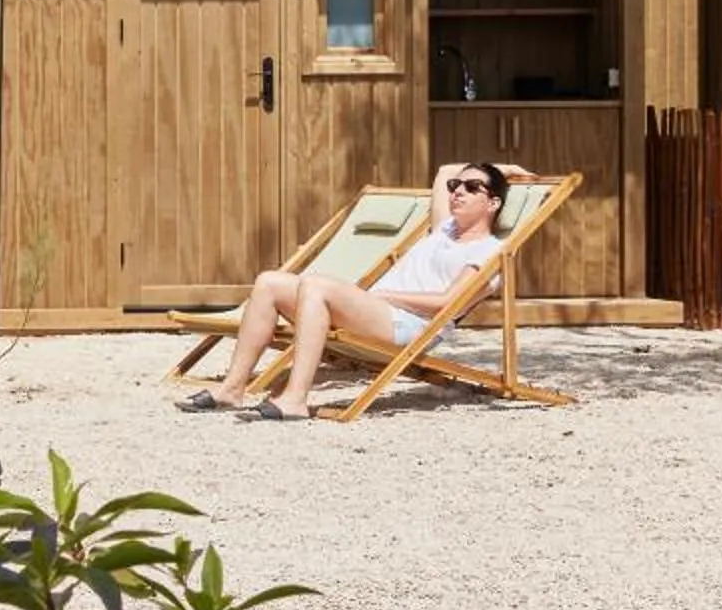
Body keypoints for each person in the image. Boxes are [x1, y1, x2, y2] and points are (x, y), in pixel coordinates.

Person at [179, 158, 524, 422]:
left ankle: (295, 399)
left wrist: (383, 296)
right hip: (380, 313)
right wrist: (506, 169)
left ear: (493, 203)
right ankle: (232, 389)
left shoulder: (489, 252)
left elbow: (447, 304)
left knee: (316, 284)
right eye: (456, 186)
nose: (458, 191)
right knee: (269, 282)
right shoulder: (443, 230)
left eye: (471, 187)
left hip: (410, 326)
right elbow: (444, 169)